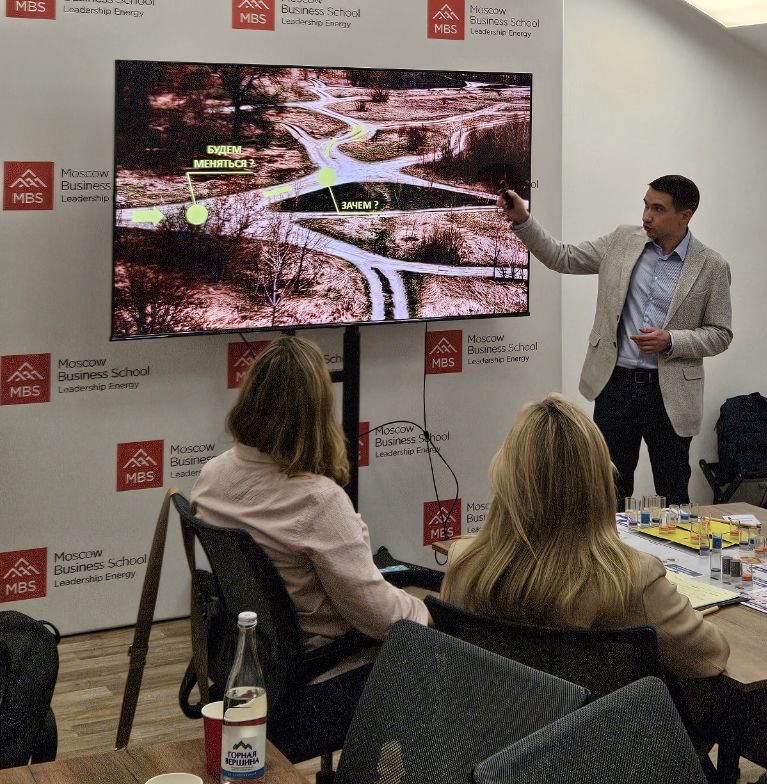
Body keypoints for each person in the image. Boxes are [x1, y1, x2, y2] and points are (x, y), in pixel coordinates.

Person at [192, 334, 428, 734]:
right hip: (318, 678)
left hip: (250, 665)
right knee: (445, 654)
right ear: (317, 412)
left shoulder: (211, 477)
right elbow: (380, 619)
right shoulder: (318, 502)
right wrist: (428, 614)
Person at [441, 394, 729, 682]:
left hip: (498, 709)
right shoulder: (634, 580)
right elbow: (711, 657)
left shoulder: (464, 561)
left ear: (507, 481)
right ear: (599, 482)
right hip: (601, 713)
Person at [501, 175, 731, 506]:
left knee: (673, 490)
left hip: (670, 394)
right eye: (646, 205)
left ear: (685, 216)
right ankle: (609, 542)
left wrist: (672, 340)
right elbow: (563, 257)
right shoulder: (623, 240)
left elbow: (721, 333)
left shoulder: (711, 266)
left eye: (657, 209)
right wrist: (523, 219)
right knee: (608, 490)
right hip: (616, 385)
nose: (646, 216)